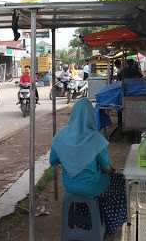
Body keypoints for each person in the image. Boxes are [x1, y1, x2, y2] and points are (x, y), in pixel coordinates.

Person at [49, 98, 127, 236]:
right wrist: (112, 171)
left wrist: (71, 160)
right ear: (91, 116)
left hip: (69, 185)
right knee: (121, 184)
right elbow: (106, 168)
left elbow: (53, 161)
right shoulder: (96, 138)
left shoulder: (60, 135)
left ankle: (83, 220)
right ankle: (109, 226)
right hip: (92, 187)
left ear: (73, 114)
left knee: (96, 189)